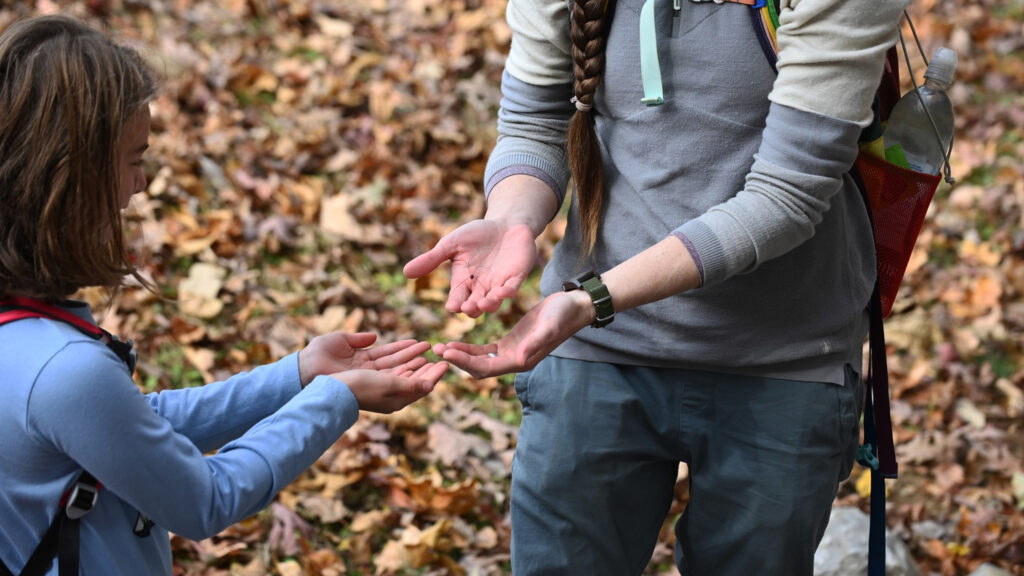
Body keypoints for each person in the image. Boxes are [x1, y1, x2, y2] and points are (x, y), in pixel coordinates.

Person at [404, 0, 910, 574]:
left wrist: (593, 299)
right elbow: (535, 120)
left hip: (784, 363)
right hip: (597, 357)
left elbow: (787, 197)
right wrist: (511, 219)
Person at [0, 14, 448, 576]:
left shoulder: (22, 335)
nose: (142, 185)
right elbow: (205, 498)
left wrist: (297, 375)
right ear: (72, 173)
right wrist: (335, 399)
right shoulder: (64, 372)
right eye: (135, 160)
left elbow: (128, 425)